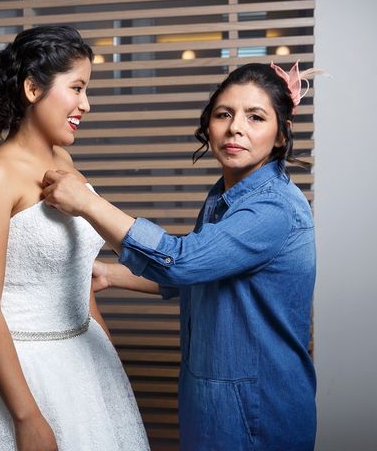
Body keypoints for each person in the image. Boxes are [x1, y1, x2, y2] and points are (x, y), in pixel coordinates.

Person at [42, 62, 321, 450]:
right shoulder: (224, 195)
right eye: (224, 114)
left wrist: (88, 203)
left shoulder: (273, 209)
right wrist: (110, 274)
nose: (235, 127)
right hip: (208, 399)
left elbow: (183, 261)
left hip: (258, 405)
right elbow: (202, 275)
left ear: (279, 136)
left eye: (255, 117)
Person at [0, 26, 149, 451]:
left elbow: (75, 275)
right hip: (22, 368)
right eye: (77, 88)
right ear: (32, 88)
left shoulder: (65, 160)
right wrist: (26, 417)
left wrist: (107, 355)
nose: (86, 104)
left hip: (83, 358)